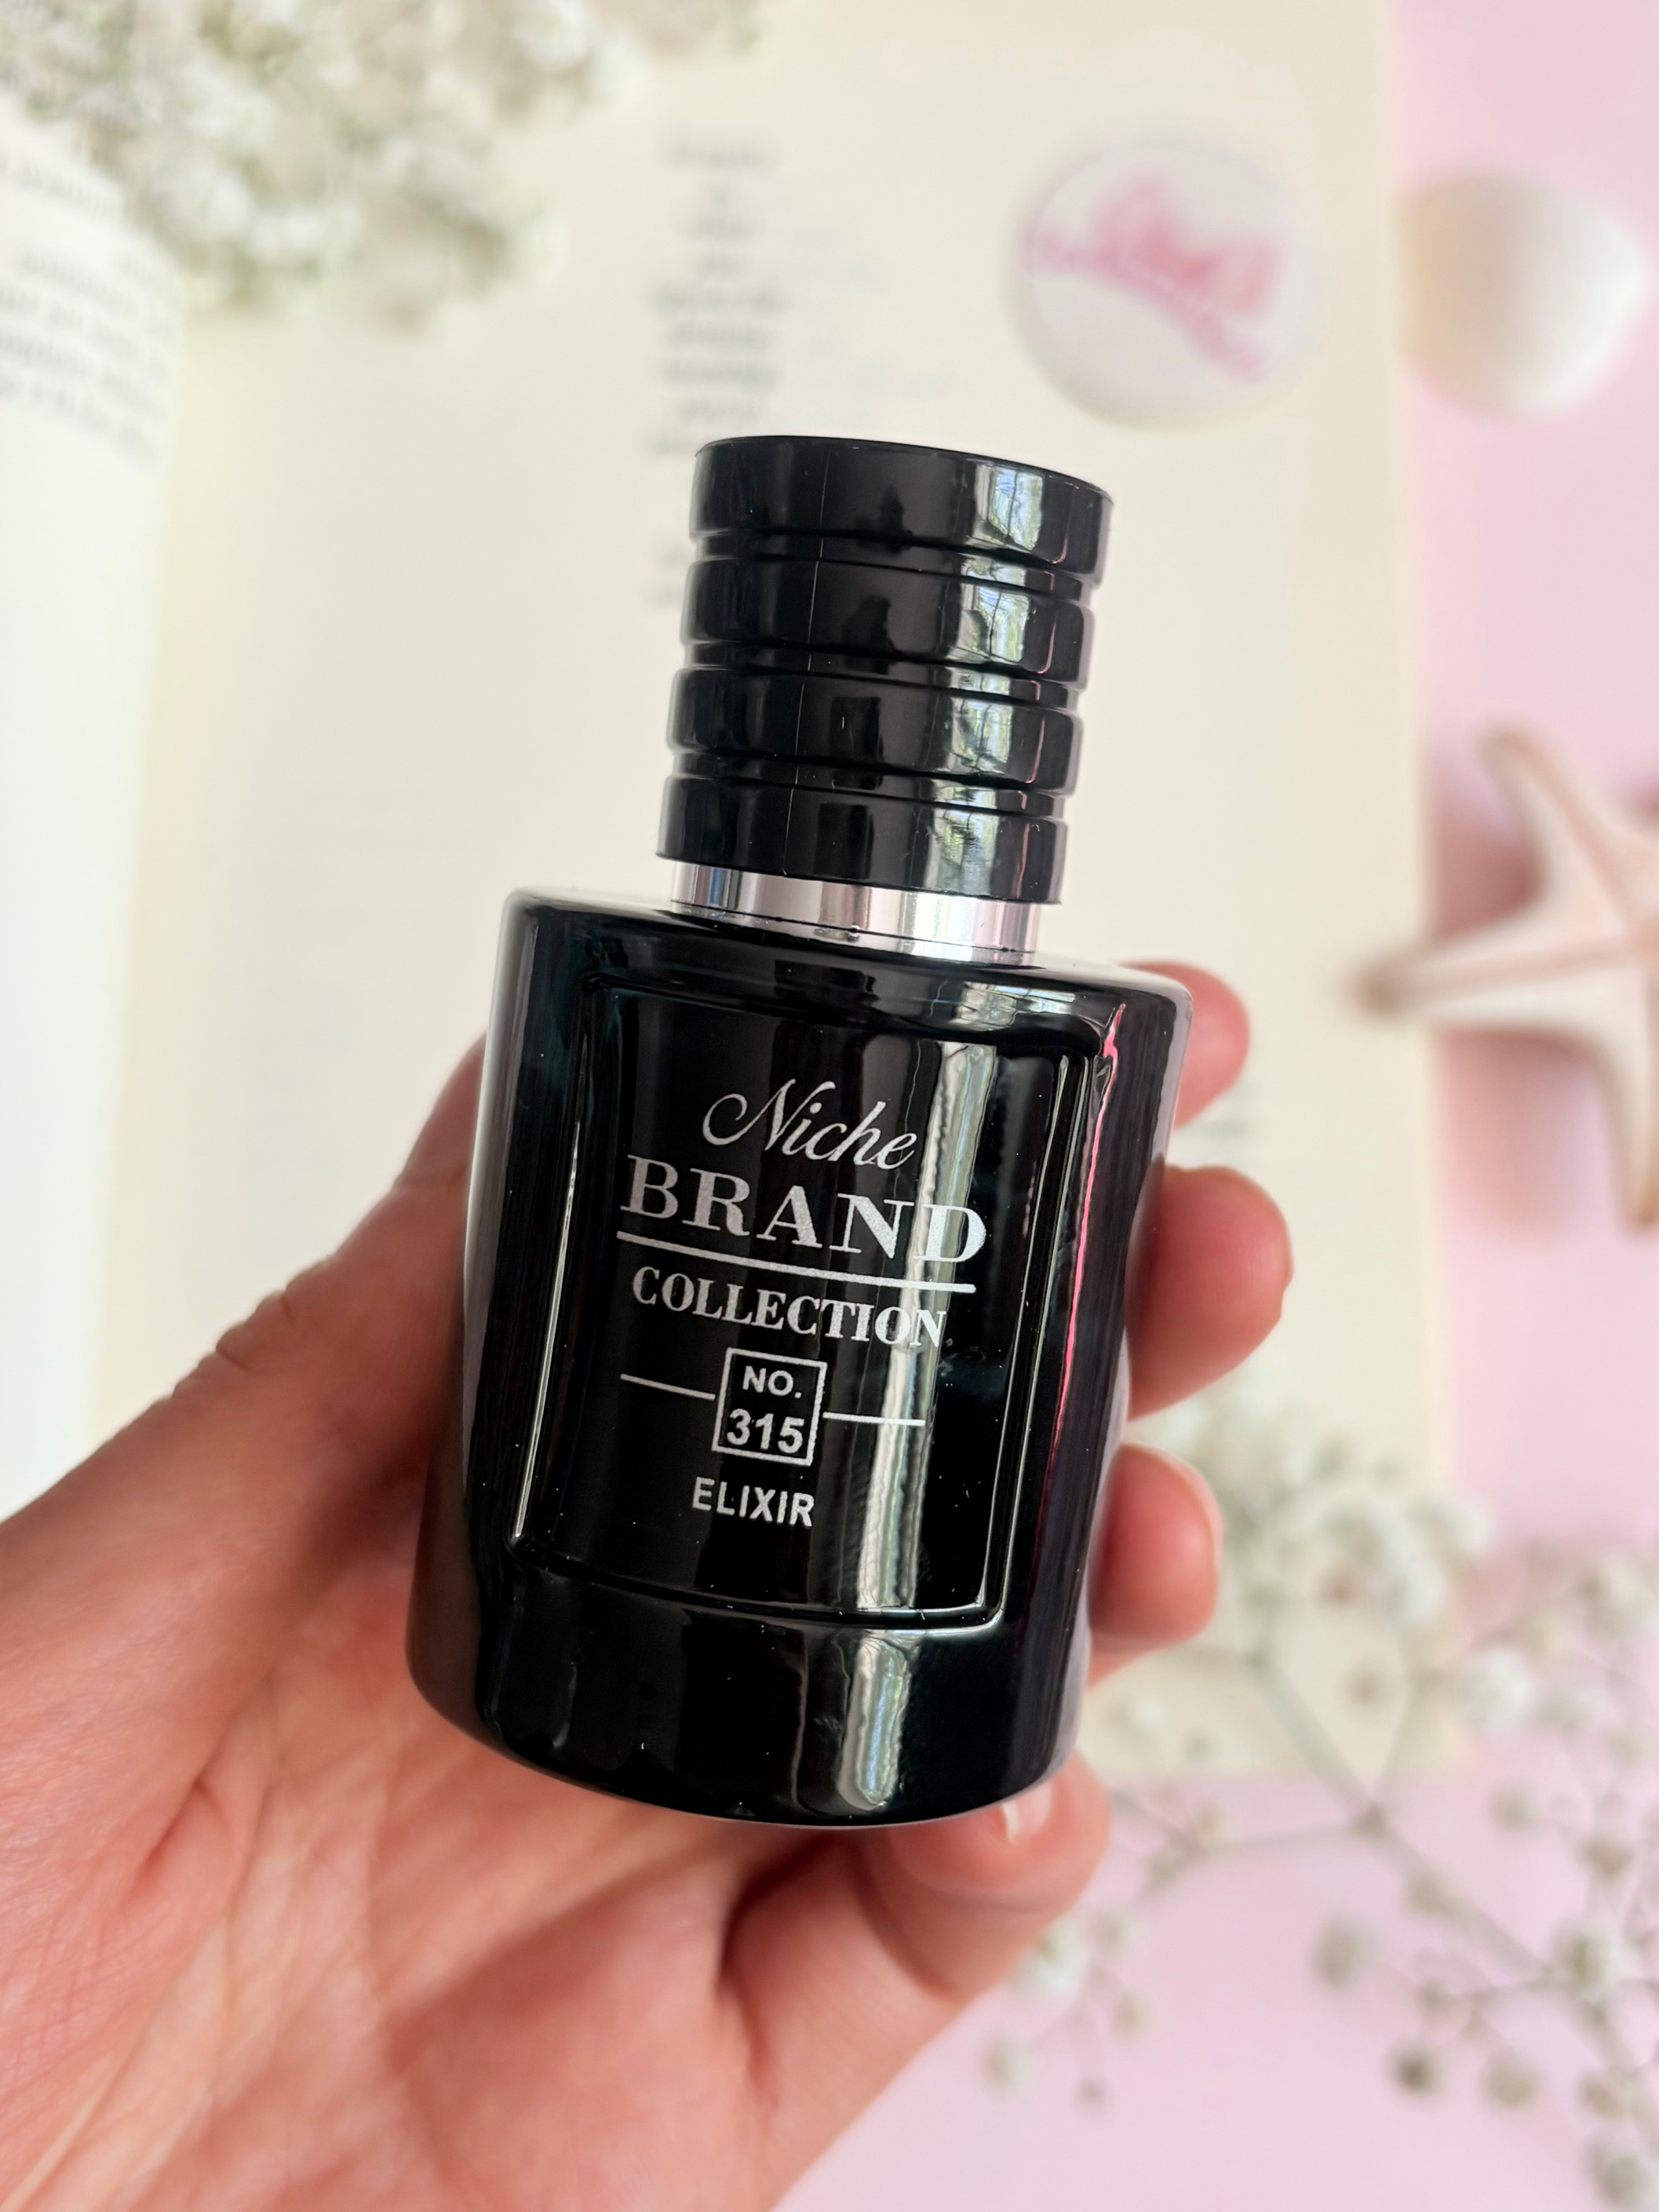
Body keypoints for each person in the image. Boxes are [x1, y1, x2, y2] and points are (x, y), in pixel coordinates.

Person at [0, 965, 1289, 2210]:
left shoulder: (1060, 1040)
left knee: (1132, 1550)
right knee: (1146, 1550)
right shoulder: (623, 975)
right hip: (430, 1778)